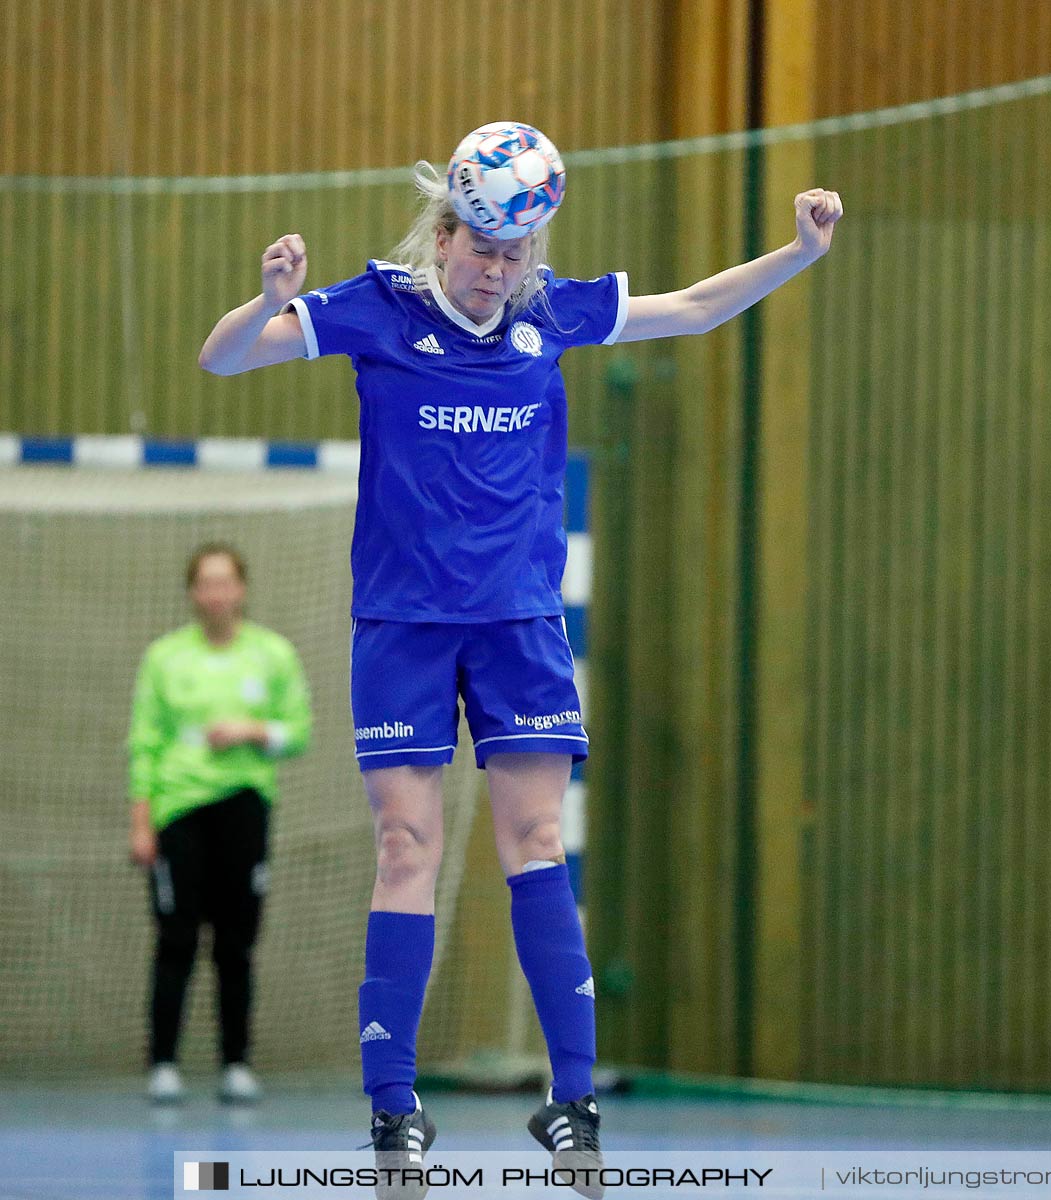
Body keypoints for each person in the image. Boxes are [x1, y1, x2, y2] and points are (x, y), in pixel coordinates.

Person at [199, 124, 841, 1199]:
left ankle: (573, 1103)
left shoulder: (551, 315)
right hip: (403, 625)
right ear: (445, 234)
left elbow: (688, 306)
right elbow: (221, 356)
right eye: (482, 249)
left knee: (536, 843)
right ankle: (394, 1108)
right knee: (407, 845)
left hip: (520, 625)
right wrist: (267, 298)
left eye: (516, 256)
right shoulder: (378, 310)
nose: (497, 273)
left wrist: (800, 255)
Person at [127, 542, 313, 1105]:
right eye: (205, 582)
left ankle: (236, 1063)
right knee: (176, 937)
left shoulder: (272, 655)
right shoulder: (165, 658)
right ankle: (162, 1063)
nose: (215, 592)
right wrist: (142, 823)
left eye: (225, 580)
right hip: (179, 811)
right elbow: (143, 743)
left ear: (242, 588)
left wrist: (254, 731)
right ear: (192, 591)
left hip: (244, 807)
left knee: (236, 942)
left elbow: (298, 731)